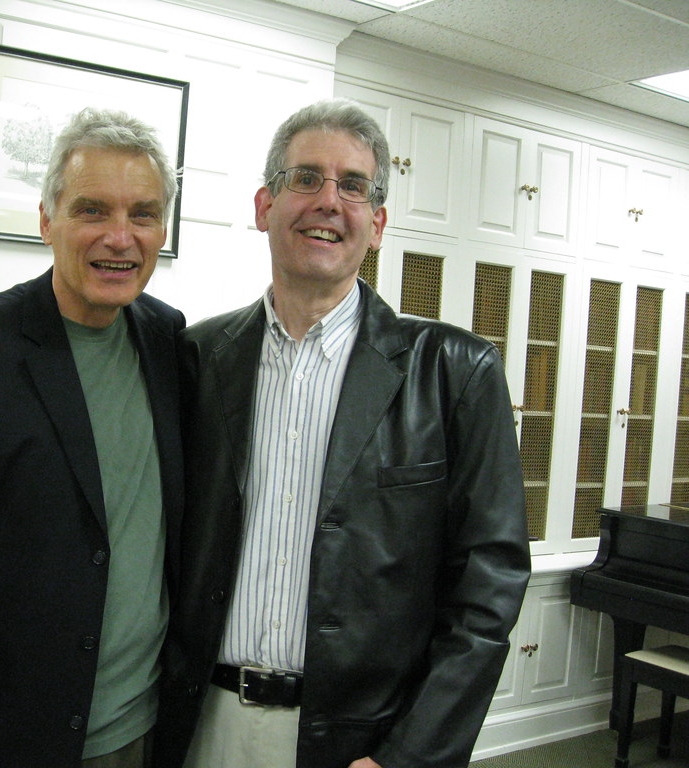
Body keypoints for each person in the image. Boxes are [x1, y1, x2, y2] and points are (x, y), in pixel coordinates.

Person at [154, 99, 531, 768]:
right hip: (200, 727)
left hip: (358, 745)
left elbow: (487, 588)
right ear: (265, 205)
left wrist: (411, 754)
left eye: (352, 186)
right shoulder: (198, 358)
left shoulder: (454, 372)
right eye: (306, 178)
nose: (329, 201)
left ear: (377, 223)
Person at [0, 107, 184, 768]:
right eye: (92, 210)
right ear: (47, 220)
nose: (120, 237)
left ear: (163, 229)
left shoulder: (170, 342)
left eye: (143, 214)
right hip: (12, 744)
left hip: (146, 732)